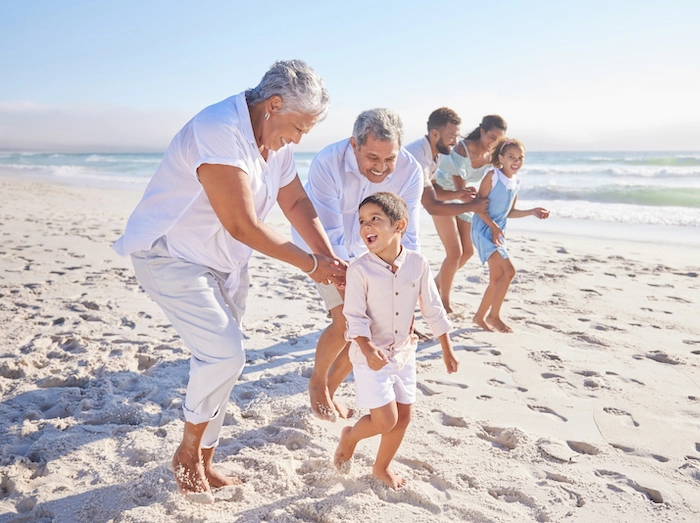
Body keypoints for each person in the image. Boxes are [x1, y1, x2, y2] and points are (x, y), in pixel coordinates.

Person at [112, 60, 347, 503]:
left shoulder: (275, 140)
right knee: (224, 354)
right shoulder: (218, 128)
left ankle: (205, 458)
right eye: (298, 127)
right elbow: (242, 223)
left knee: (224, 363)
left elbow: (294, 200)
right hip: (171, 255)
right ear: (273, 105)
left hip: (225, 263)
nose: (298, 138)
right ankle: (186, 455)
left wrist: (330, 257)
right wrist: (312, 266)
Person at [293, 108, 424, 422]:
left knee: (374, 327)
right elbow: (331, 235)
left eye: (389, 159)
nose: (381, 168)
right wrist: (358, 279)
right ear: (354, 145)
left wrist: (407, 281)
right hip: (322, 246)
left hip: (372, 250)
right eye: (372, 158)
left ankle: (331, 388)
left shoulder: (410, 170)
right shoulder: (328, 163)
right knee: (347, 322)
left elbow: (409, 232)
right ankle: (317, 383)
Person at [334, 192, 459, 489]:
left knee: (403, 417)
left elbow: (431, 306)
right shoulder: (359, 269)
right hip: (369, 356)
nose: (366, 227)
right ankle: (350, 436)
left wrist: (447, 347)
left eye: (375, 219)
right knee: (384, 420)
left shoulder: (417, 263)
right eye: (362, 221)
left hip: (404, 352)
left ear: (399, 225)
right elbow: (353, 316)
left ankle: (381, 467)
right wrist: (365, 347)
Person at [471, 138, 550, 333]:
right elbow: (478, 207)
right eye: (511, 157)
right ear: (501, 158)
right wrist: (494, 227)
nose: (516, 161)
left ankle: (480, 317)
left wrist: (531, 211)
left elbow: (510, 212)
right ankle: (493, 316)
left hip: (498, 232)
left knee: (497, 276)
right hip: (483, 230)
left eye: (520, 158)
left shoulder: (516, 183)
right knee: (509, 271)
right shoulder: (492, 176)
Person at [432, 115, 508, 313]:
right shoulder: (461, 150)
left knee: (467, 252)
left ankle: (432, 286)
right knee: (454, 253)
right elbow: (461, 190)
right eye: (492, 137)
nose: (494, 142)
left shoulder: (493, 155)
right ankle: (443, 301)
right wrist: (485, 217)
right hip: (443, 195)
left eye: (499, 140)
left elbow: (497, 180)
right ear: (482, 131)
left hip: (465, 197)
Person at [404, 108, 488, 219]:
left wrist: (457, 194)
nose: (456, 142)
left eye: (457, 137)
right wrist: (471, 206)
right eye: (452, 137)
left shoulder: (436, 154)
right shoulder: (418, 158)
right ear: (434, 134)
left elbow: (433, 188)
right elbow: (432, 207)